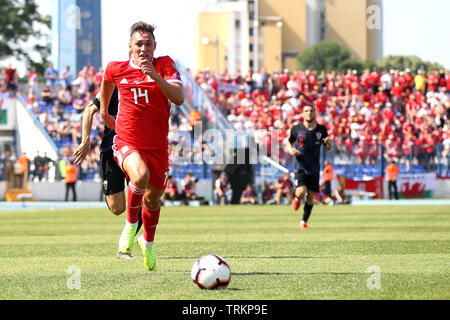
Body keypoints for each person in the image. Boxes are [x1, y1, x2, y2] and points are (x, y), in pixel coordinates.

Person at [100, 21, 184, 272]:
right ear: (130, 47)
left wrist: (154, 75)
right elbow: (106, 81)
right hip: (127, 140)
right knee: (140, 175)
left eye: (148, 44)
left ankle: (147, 242)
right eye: (139, 44)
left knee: (154, 199)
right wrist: (104, 111)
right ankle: (129, 227)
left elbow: (178, 98)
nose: (143, 48)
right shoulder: (117, 68)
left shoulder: (165, 65)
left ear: (154, 46)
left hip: (157, 147)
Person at [73, 87, 143, 259]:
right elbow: (89, 109)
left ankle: (127, 244)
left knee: (147, 196)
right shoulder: (114, 86)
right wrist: (86, 141)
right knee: (117, 208)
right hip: (110, 150)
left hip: (136, 149)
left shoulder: (147, 86)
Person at [288, 105, 332, 230]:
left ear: (315, 113)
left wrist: (329, 143)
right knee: (301, 191)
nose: (309, 113)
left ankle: (303, 221)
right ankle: (297, 198)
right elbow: (289, 141)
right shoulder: (296, 129)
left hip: (314, 167)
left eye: (311, 111)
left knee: (311, 196)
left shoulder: (321, 129)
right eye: (306, 111)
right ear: (303, 113)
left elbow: (328, 148)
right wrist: (291, 150)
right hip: (300, 166)